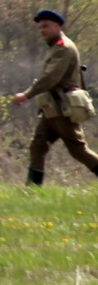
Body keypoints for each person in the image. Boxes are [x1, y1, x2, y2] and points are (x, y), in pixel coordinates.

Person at [13, 9, 98, 186]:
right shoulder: (56, 47)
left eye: (46, 26)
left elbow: (50, 78)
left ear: (57, 25)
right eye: (40, 27)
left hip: (62, 109)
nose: (42, 30)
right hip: (52, 109)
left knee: (78, 151)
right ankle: (32, 190)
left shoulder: (63, 48)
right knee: (38, 146)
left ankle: (32, 189)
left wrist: (26, 95)